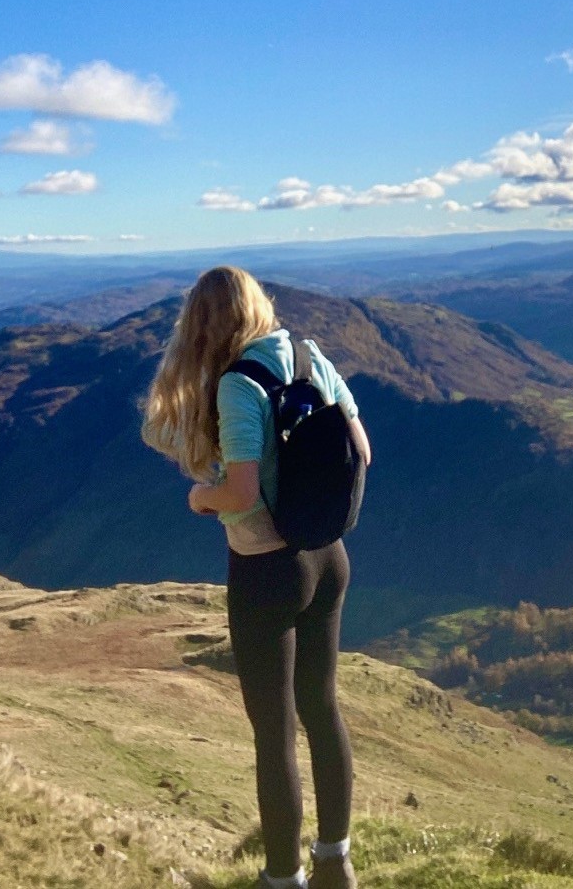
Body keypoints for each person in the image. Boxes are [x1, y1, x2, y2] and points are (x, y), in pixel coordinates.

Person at [142, 266, 370, 889]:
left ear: (203, 324)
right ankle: (335, 862)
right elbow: (363, 452)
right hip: (330, 557)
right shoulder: (307, 355)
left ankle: (282, 879)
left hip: (268, 569)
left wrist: (201, 497)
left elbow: (241, 489)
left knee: (274, 736)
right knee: (323, 711)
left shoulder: (240, 384)